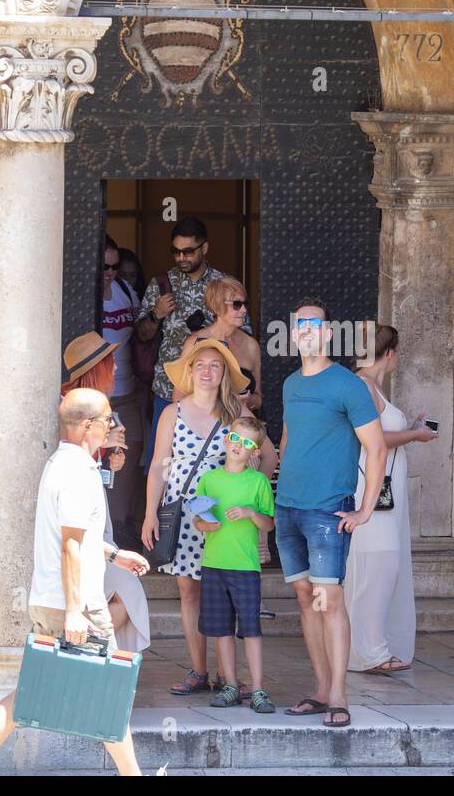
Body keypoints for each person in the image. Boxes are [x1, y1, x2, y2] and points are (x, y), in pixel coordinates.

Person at [0, 389, 151, 777]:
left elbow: (77, 536)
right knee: (110, 695)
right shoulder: (79, 472)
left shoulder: (59, 464)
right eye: (108, 421)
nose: (113, 427)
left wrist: (115, 555)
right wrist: (76, 611)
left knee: (30, 692)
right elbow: (70, 545)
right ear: (87, 427)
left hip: (49, 599)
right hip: (75, 604)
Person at [141, 340, 277, 697]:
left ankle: (227, 676)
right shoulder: (173, 413)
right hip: (184, 511)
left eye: (215, 366)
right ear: (189, 371)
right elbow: (158, 465)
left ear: (223, 375)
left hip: (225, 517)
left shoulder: (235, 415)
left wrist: (249, 489)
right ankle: (199, 670)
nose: (206, 371)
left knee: (223, 593)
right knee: (189, 592)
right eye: (199, 364)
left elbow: (269, 456)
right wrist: (149, 515)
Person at [276, 298, 387, 728]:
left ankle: (340, 695)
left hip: (328, 509)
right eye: (298, 324)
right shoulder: (289, 384)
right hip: (288, 508)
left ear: (327, 333)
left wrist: (365, 510)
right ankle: (321, 690)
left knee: (329, 600)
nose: (306, 330)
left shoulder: (347, 385)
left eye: (313, 324)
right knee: (306, 599)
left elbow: (376, 448)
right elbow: (287, 441)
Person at [345, 323, 435, 673]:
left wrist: (411, 427)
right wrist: (414, 434)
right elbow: (374, 437)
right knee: (378, 566)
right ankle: (369, 651)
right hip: (372, 489)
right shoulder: (363, 386)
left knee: (385, 566)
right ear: (391, 353)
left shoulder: (371, 387)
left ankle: (374, 645)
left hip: (387, 490)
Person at [135, 218, 247, 472]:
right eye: (176, 251)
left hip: (215, 393)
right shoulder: (161, 284)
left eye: (188, 251)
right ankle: (162, 510)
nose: (181, 257)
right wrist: (156, 314)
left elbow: (243, 334)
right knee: (163, 464)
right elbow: (141, 334)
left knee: (214, 464)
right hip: (168, 390)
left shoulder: (224, 284)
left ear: (204, 249)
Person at [61, 333, 149, 652]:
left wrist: (111, 458)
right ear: (96, 369)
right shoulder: (68, 408)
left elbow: (98, 468)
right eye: (109, 365)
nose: (115, 371)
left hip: (100, 522)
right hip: (79, 525)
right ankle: (88, 647)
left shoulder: (107, 408)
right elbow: (67, 458)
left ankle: (95, 649)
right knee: (121, 593)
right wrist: (102, 445)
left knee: (126, 594)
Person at [192, 416, 277, 713]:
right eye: (235, 439)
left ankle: (257, 689)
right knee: (221, 630)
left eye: (246, 443)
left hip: (245, 566)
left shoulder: (258, 482)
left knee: (251, 629)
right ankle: (230, 684)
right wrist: (205, 526)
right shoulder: (209, 479)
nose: (238, 446)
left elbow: (268, 524)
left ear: (255, 451)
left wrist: (251, 512)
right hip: (214, 564)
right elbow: (198, 518)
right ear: (227, 439)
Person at [99, 238, 147, 550]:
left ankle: (122, 522)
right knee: (98, 458)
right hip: (97, 394)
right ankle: (102, 531)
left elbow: (140, 335)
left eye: (116, 267)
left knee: (130, 455)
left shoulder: (125, 291)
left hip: (128, 390)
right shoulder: (84, 293)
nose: (111, 272)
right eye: (106, 266)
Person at [174, 275, 262, 412]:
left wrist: (248, 401)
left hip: (240, 428)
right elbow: (179, 398)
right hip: (204, 426)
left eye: (245, 304)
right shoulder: (195, 343)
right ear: (217, 307)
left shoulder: (251, 345)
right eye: (236, 304)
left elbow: (258, 399)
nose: (244, 310)